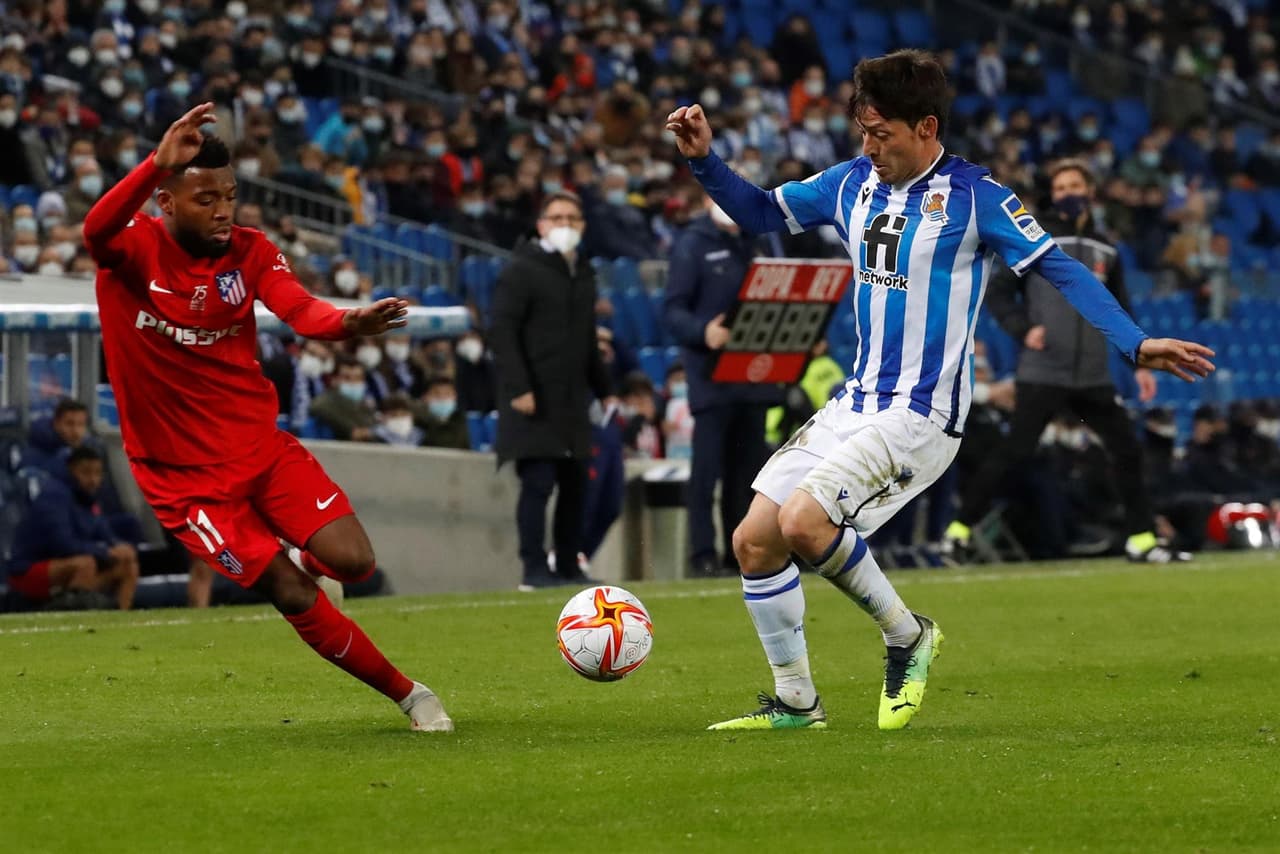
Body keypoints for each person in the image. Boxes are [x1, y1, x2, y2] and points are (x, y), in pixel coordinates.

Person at [665, 50, 1214, 731]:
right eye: (862, 132)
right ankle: (796, 701)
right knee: (753, 540)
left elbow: (1060, 270)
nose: (868, 146)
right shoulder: (849, 184)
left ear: (927, 127)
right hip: (858, 402)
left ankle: (907, 634)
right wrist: (703, 161)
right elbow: (756, 212)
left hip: (923, 412)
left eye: (881, 134)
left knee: (804, 523)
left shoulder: (977, 196)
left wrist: (1134, 341)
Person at [81, 104, 452, 732]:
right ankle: (412, 696)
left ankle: (310, 560)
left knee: (355, 562)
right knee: (288, 592)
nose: (223, 209)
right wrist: (152, 166)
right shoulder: (133, 250)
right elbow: (94, 230)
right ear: (166, 202)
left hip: (259, 448)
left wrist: (349, 322)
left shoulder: (251, 253)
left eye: (229, 195)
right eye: (205, 198)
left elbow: (301, 309)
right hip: (185, 481)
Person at [944, 159, 1186, 563]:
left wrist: (1139, 365)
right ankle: (959, 531)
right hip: (1043, 370)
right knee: (1015, 452)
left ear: (1090, 191)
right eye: (1059, 188)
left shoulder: (1108, 248)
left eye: (1074, 185)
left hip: (1092, 374)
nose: (1066, 194)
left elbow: (1120, 308)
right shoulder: (1034, 237)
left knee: (1126, 450)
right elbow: (1001, 293)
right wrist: (1024, 329)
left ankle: (1142, 539)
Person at [490, 191, 615, 591]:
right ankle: (533, 569)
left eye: (573, 218)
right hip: (534, 399)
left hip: (572, 400)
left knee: (576, 486)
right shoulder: (521, 270)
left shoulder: (583, 273)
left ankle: (567, 565)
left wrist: (605, 389)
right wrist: (519, 388)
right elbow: (503, 332)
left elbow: (585, 339)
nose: (565, 225)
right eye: (557, 217)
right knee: (539, 484)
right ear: (541, 224)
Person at [663, 192, 782, 577]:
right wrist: (703, 331)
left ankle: (739, 553)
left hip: (753, 376)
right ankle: (702, 555)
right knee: (707, 472)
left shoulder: (757, 240)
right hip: (711, 379)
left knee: (747, 475)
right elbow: (672, 311)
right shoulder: (692, 244)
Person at [6, 447, 139, 611]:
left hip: (67, 566)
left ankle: (120, 622)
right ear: (71, 471)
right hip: (27, 571)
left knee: (127, 565)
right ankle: (72, 617)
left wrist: (119, 547)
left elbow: (105, 533)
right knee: (85, 564)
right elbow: (63, 544)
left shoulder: (89, 499)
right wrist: (106, 552)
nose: (93, 480)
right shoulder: (54, 495)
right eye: (86, 472)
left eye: (97, 473)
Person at [309, 356, 377, 441]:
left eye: (358, 378)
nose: (353, 382)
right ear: (334, 380)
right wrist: (350, 429)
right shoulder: (326, 401)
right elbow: (316, 407)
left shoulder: (364, 405)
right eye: (347, 378)